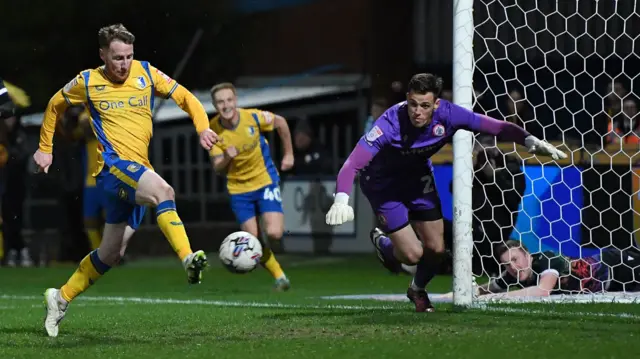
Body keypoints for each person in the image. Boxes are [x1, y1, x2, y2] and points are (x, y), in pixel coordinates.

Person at [325, 73, 567, 312]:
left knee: (437, 250)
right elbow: (352, 163)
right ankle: (384, 243)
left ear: (436, 104)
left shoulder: (449, 115)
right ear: (407, 98)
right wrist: (341, 199)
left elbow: (497, 127)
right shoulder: (389, 124)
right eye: (412, 104)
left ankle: (417, 290)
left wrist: (528, 139)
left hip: (418, 180)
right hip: (383, 185)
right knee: (412, 255)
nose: (417, 111)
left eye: (424, 105)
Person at [35, 24, 219, 337]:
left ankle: (60, 298)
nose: (124, 64)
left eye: (129, 56)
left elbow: (186, 97)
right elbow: (55, 104)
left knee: (111, 254)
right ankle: (188, 258)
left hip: (137, 170)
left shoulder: (146, 72)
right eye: (118, 57)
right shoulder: (88, 80)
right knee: (164, 191)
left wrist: (202, 127)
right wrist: (44, 148)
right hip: (112, 169)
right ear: (103, 54)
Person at [209, 82, 293, 291]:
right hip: (238, 190)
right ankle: (280, 276)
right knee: (252, 239)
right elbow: (217, 167)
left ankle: (269, 254)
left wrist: (289, 153)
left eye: (229, 100)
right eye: (220, 102)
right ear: (215, 106)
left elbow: (281, 122)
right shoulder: (212, 129)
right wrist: (227, 157)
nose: (226, 105)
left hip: (264, 180)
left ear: (235, 101)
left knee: (274, 233)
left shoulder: (253, 118)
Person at [472, 239, 640, 298]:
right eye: (507, 264)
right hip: (614, 286)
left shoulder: (547, 259)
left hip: (618, 266)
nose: (513, 267)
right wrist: (464, 294)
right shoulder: (514, 273)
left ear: (528, 255)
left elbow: (542, 291)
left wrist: (498, 297)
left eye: (515, 260)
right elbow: (485, 289)